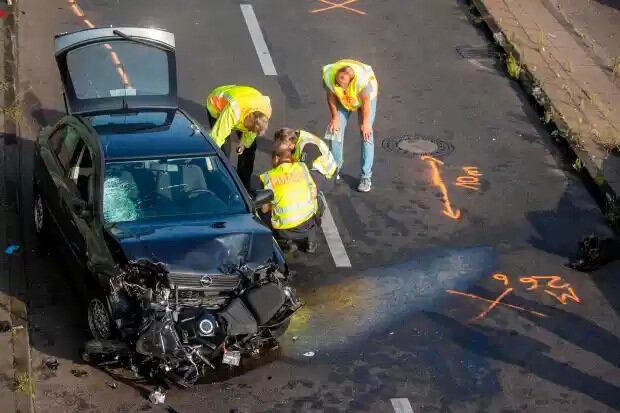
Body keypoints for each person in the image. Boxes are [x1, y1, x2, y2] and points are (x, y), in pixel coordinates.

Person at [322, 59, 378, 192]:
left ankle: (366, 177)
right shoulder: (329, 76)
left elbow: (365, 104)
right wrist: (335, 118)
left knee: (366, 134)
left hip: (364, 101)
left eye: (342, 83)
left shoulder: (363, 83)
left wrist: (365, 123)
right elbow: (331, 96)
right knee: (335, 130)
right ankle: (335, 169)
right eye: (338, 81)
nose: (338, 85)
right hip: (346, 98)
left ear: (351, 82)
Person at [205, 85, 271, 189]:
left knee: (250, 148)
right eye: (248, 128)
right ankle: (220, 183)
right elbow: (216, 138)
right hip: (217, 106)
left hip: (243, 107)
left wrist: (243, 144)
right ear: (249, 117)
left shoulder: (265, 112)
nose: (248, 131)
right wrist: (210, 162)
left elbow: (251, 132)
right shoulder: (233, 110)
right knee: (223, 150)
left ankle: (243, 185)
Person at [259, 142, 319, 253]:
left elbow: (265, 209)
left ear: (277, 158)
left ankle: (286, 242)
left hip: (284, 229)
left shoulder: (268, 177)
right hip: (306, 225)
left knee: (261, 210)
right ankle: (311, 240)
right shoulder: (302, 167)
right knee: (319, 201)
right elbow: (314, 193)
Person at [273, 127, 337, 193]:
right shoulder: (296, 136)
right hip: (317, 170)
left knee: (299, 186)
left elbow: (304, 173)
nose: (280, 151)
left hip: (327, 176)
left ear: (291, 144)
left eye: (282, 148)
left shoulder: (307, 147)